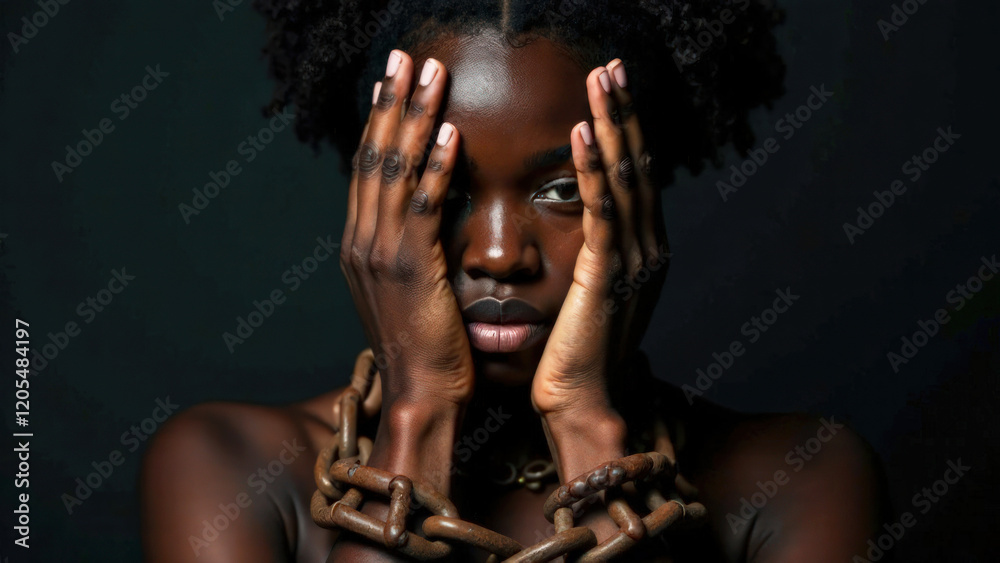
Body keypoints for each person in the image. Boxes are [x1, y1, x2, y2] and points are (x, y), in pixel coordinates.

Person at [140, 1, 887, 561]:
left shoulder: (800, 476)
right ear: (373, 196)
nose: (499, 255)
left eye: (563, 189)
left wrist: (585, 418)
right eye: (444, 191)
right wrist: (418, 408)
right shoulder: (227, 466)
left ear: (638, 197)